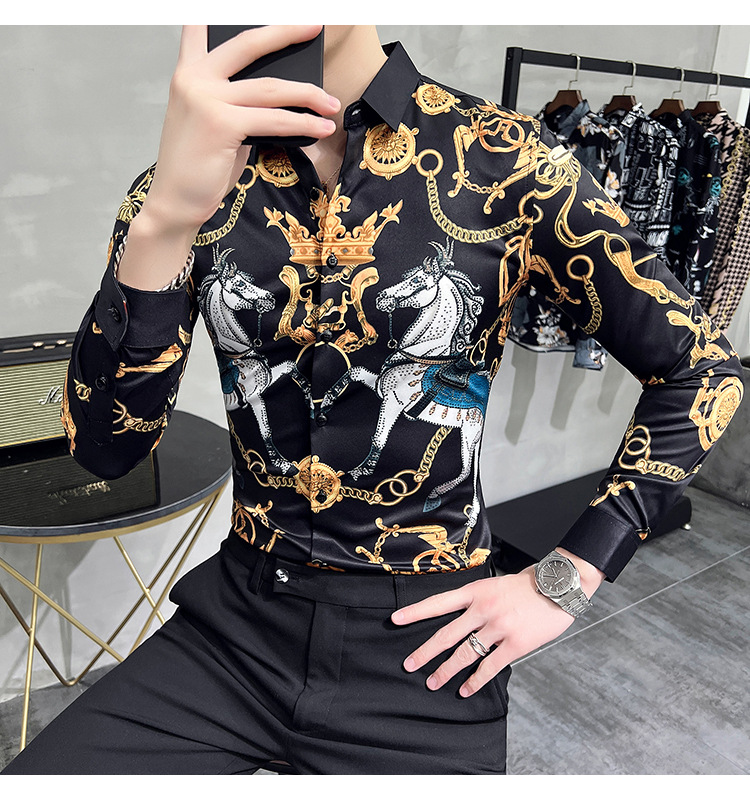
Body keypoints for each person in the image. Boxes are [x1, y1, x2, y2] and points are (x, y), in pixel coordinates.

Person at [3, 24, 744, 775]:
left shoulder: (508, 160)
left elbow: (703, 371)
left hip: (427, 648)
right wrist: (165, 218)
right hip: (234, 630)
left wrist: (566, 580)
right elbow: (106, 450)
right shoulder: (187, 179)